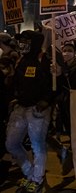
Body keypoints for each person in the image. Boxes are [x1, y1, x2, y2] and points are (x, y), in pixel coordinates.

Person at [6, 30, 53, 193]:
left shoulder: (44, 60)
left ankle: (37, 179)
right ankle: (30, 172)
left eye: (26, 41)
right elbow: (16, 85)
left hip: (38, 110)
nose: (22, 44)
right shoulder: (20, 60)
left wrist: (46, 100)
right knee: (11, 144)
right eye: (21, 41)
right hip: (21, 107)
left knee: (37, 146)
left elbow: (54, 85)